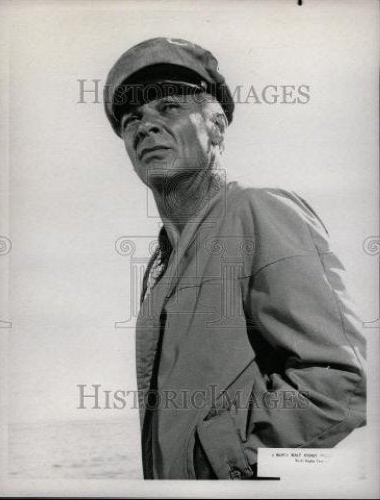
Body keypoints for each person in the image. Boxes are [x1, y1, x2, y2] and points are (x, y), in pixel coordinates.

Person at [104, 38, 366, 480]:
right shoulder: (161, 264)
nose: (145, 127)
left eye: (168, 108)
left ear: (217, 127)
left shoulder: (258, 210)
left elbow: (336, 383)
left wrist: (221, 466)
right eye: (132, 120)